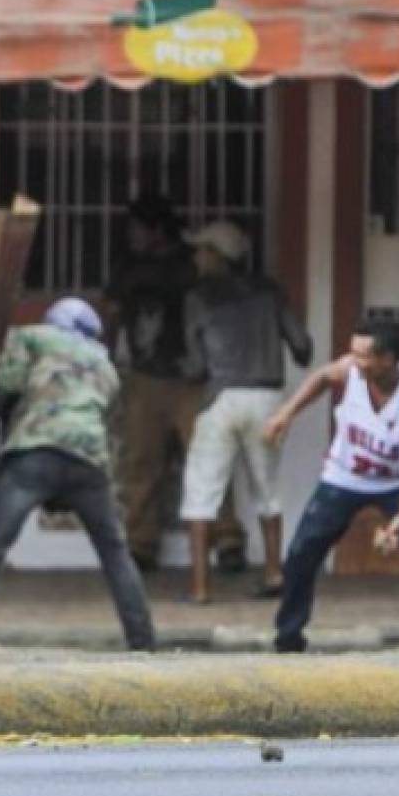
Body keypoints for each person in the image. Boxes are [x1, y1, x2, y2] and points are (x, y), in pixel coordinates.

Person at [0, 297, 155, 650]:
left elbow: (5, 386)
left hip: (35, 451)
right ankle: (143, 641)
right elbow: (105, 410)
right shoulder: (104, 364)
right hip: (88, 459)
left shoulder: (32, 337)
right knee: (115, 551)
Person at [264, 319, 399, 652]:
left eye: (363, 355)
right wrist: (287, 413)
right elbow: (321, 377)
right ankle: (288, 639)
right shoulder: (350, 371)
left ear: (387, 359)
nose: (353, 360)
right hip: (344, 475)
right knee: (302, 550)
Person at [105, 194, 247, 574]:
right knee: (139, 462)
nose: (131, 235)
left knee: (207, 458)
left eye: (138, 228)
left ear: (156, 230)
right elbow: (114, 309)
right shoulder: (132, 266)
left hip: (190, 378)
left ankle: (228, 538)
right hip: (144, 376)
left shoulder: (191, 262)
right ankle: (140, 544)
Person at [179, 221, 313, 604]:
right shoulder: (270, 293)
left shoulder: (199, 296)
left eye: (202, 250)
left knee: (201, 491)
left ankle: (200, 589)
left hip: (220, 398)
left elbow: (195, 365)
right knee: (268, 489)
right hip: (267, 398)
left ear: (218, 257)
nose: (196, 256)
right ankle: (273, 572)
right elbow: (302, 347)